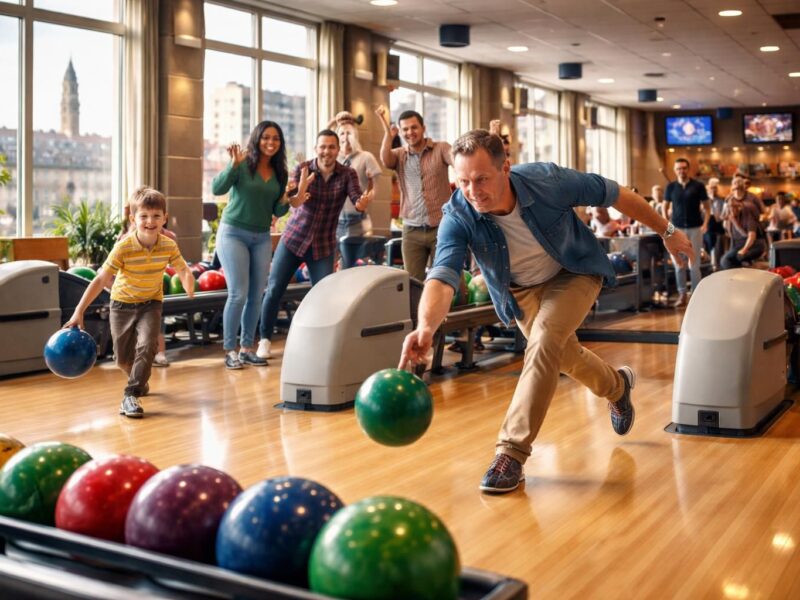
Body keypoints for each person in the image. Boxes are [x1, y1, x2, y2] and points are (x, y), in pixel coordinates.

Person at [398, 129, 693, 494]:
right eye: (463, 182)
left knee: (543, 342)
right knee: (562, 354)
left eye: (481, 179)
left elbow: (616, 193)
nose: (473, 191)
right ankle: (617, 387)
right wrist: (426, 328)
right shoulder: (458, 214)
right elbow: (442, 276)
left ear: (505, 168)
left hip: (574, 271)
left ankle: (511, 452)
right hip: (520, 291)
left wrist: (667, 231)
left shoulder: (547, 181)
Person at [64, 187, 195, 418]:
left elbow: (183, 269)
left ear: (164, 218)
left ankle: (130, 395)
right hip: (121, 305)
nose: (150, 221)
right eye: (144, 216)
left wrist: (188, 284)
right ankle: (139, 380)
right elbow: (101, 279)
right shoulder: (123, 247)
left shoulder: (169, 245)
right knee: (122, 359)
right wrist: (79, 311)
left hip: (151, 303)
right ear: (133, 219)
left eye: (156, 216)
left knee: (147, 346)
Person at [257, 130, 372, 358]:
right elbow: (290, 198)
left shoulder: (347, 174)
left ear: (338, 150)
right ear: (315, 148)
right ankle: (264, 340)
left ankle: (319, 343)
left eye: (331, 147)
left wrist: (361, 203)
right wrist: (298, 192)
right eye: (323, 147)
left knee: (323, 296)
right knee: (274, 289)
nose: (326, 151)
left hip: (323, 245)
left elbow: (356, 197)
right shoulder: (303, 169)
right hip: (293, 240)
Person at [212, 121, 292, 370]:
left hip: (261, 237)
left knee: (257, 294)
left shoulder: (280, 172)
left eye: (276, 138)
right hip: (233, 233)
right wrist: (232, 165)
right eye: (266, 137)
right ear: (257, 139)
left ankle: (247, 349)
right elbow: (217, 188)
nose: (270, 142)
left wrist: (289, 198)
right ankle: (230, 350)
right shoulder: (243, 163)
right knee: (238, 293)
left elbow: (277, 210)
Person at [375, 104, 453, 281]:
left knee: (447, 277)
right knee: (413, 282)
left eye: (414, 127)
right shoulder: (399, 155)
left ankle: (458, 300)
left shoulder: (441, 148)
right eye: (405, 129)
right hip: (412, 230)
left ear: (423, 128)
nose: (410, 132)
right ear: (400, 132)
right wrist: (388, 134)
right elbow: (385, 159)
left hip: (441, 227)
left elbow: (457, 160)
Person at [663, 158, 710, 308]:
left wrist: (705, 224)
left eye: (684, 168)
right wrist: (668, 228)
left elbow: (707, 207)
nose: (681, 171)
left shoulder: (698, 186)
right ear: (675, 170)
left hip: (695, 228)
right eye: (678, 168)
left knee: (694, 264)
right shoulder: (671, 187)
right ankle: (682, 294)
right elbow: (664, 208)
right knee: (679, 263)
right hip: (676, 229)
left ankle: (696, 295)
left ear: (688, 169)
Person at [334, 113, 382, 239]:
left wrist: (367, 197)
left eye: (349, 133)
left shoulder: (366, 157)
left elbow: (374, 189)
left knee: (357, 252)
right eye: (341, 133)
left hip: (358, 221)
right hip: (335, 221)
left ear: (355, 135)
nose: (345, 137)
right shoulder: (333, 159)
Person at [721, 177, 767, 269]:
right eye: (734, 188)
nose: (736, 191)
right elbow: (724, 216)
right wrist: (729, 219)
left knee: (733, 258)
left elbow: (763, 211)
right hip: (737, 240)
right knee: (728, 260)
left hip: (751, 239)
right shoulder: (729, 199)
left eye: (739, 187)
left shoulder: (751, 201)